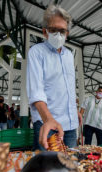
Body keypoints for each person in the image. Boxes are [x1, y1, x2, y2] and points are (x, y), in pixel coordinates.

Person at [26, 4, 82, 150]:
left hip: (70, 124)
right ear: (45, 32)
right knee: (49, 168)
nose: (58, 35)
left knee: (70, 166)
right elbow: (36, 91)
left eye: (62, 31)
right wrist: (48, 119)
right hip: (48, 123)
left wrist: (74, 110)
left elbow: (68, 88)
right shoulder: (36, 52)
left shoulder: (69, 55)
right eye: (53, 30)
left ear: (67, 33)